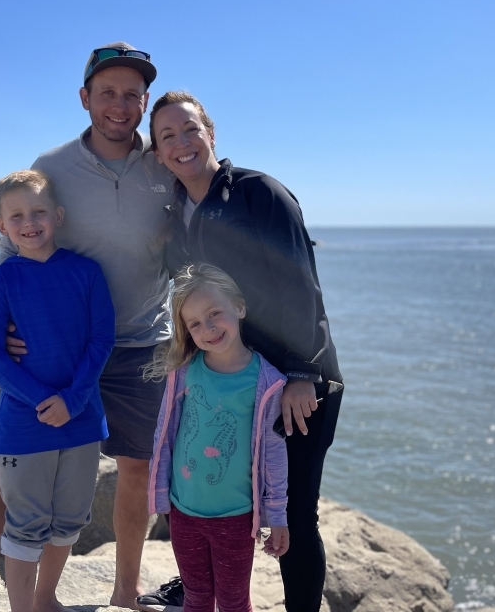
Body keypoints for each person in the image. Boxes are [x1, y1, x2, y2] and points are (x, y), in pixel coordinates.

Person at [0, 43, 173, 612]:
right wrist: (7, 324)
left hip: (140, 341)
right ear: (84, 98)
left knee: (138, 467)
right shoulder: (51, 166)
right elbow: (15, 247)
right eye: (107, 93)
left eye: (132, 94)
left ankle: (125, 593)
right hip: (52, 345)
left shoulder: (165, 164)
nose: (119, 105)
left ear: (145, 101)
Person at [141, 91, 343, 612]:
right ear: (158, 153)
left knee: (294, 514)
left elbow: (300, 285)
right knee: (210, 491)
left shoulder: (259, 194)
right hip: (224, 379)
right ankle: (196, 586)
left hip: (290, 383)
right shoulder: (174, 216)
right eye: (167, 136)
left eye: (191, 129)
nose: (182, 142)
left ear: (210, 133)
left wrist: (302, 372)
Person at [0, 169, 115, 612]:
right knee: (26, 523)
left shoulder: (86, 272)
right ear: (1, 226)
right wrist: (42, 400)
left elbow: (101, 340)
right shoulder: (1, 281)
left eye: (38, 211)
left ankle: (45, 599)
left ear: (58, 215)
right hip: (25, 423)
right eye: (16, 216)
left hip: (82, 417)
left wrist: (72, 400)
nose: (28, 222)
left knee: (70, 518)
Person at [146, 264, 289, 612]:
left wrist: (277, 515)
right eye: (194, 323)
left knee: (233, 602)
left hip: (236, 516)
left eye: (214, 314)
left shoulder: (267, 381)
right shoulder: (184, 370)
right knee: (195, 598)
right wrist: (159, 493)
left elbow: (273, 452)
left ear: (239, 307)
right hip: (183, 511)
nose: (207, 328)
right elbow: (165, 432)